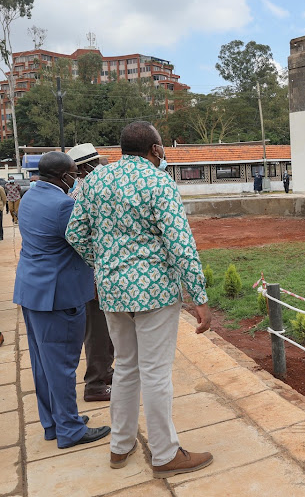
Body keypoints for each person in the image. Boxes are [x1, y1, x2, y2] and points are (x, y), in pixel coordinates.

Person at [66, 121, 213, 477]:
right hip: (154, 292)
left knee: (127, 369)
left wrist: (102, 263)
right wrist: (198, 297)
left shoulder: (96, 181)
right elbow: (180, 243)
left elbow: (75, 233)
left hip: (113, 292)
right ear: (156, 149)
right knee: (156, 372)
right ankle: (164, 454)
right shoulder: (158, 181)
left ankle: (120, 446)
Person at [12, 152, 111, 449]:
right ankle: (69, 429)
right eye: (73, 174)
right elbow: (88, 242)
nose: (77, 178)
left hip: (32, 291)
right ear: (61, 176)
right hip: (58, 297)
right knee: (63, 366)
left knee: (43, 364)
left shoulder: (30, 196)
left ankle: (54, 423)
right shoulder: (63, 206)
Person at [66, 143, 115, 402]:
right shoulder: (84, 193)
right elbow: (75, 236)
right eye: (97, 163)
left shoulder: (80, 191)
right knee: (97, 331)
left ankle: (106, 373)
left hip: (95, 273)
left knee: (106, 329)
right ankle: (95, 384)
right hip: (94, 276)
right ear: (87, 167)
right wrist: (96, 265)